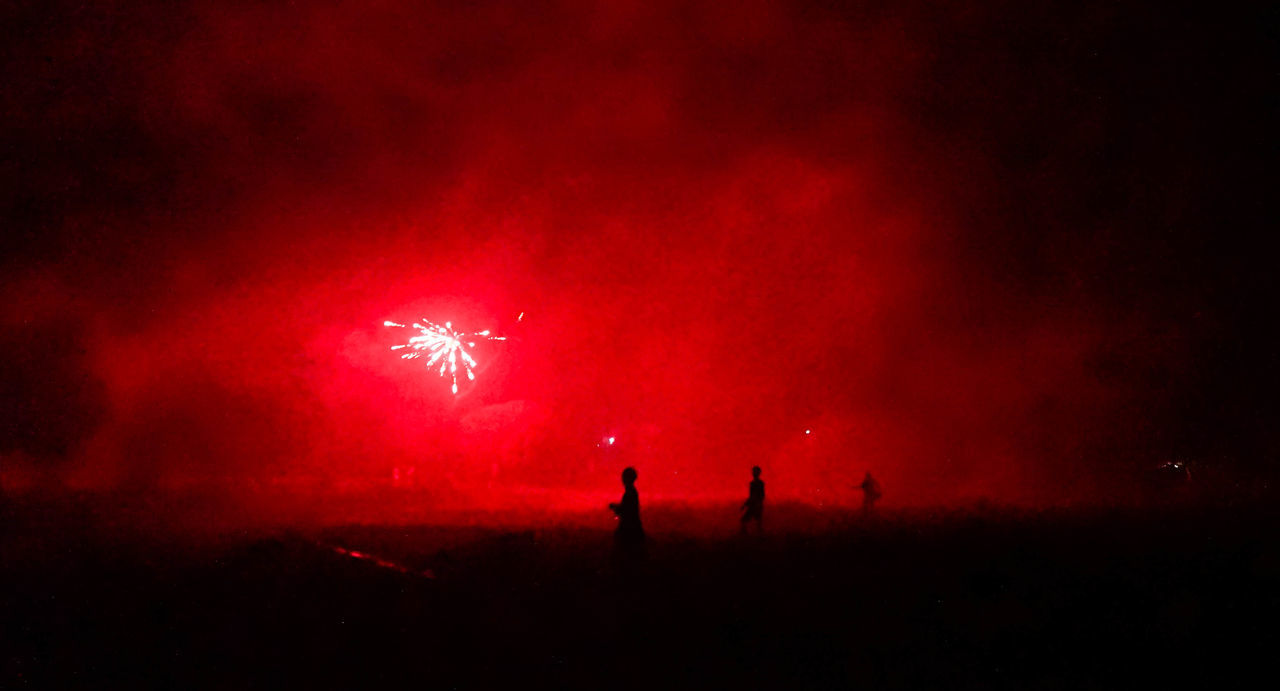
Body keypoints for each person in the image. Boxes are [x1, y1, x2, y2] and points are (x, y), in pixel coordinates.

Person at [609, 466, 645, 547]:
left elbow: (626, 510)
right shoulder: (632, 491)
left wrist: (615, 508)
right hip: (633, 526)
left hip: (629, 527)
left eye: (624, 477)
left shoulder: (629, 493)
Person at [740, 465, 765, 533]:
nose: (753, 473)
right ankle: (746, 533)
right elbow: (751, 496)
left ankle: (747, 534)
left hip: (756, 505)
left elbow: (761, 495)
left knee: (756, 521)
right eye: (753, 472)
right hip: (754, 504)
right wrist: (745, 505)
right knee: (756, 521)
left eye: (755, 472)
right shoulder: (753, 483)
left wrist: (758, 504)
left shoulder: (759, 483)